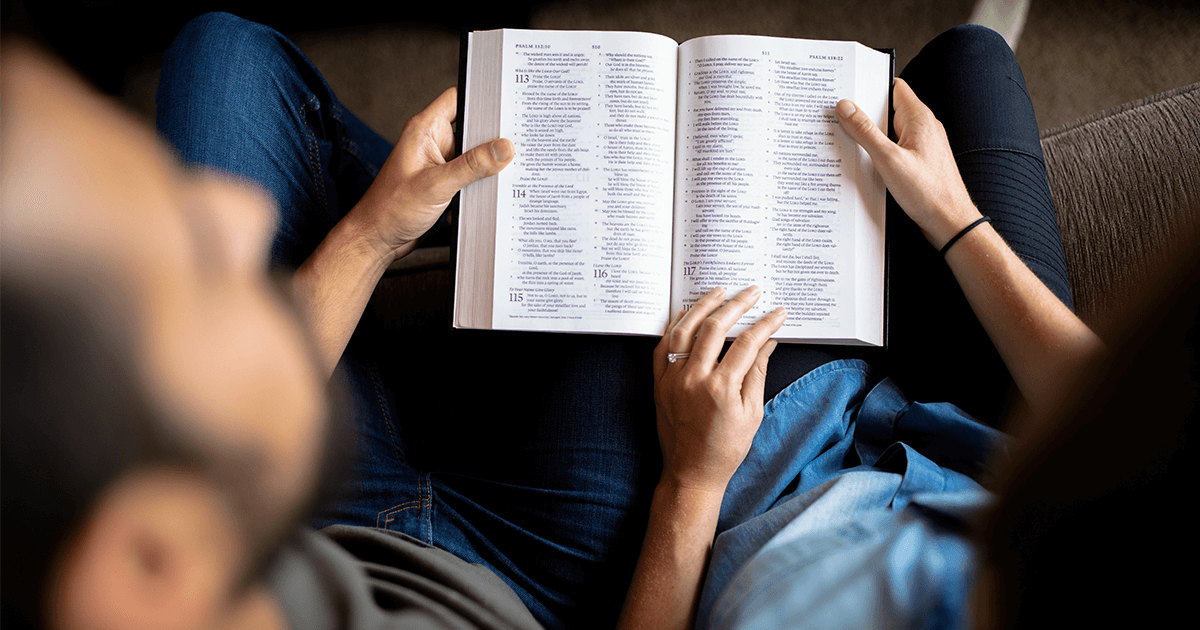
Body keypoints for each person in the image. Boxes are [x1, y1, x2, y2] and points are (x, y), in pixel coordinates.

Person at [2, 12, 1143, 630]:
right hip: (560, 566)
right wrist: (950, 225)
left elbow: (207, 439)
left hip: (382, 515)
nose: (229, 211)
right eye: (191, 263)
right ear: (146, 558)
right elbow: (1130, 440)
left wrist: (373, 234)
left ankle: (435, 212)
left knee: (223, 49)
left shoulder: (166, 549)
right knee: (962, 66)